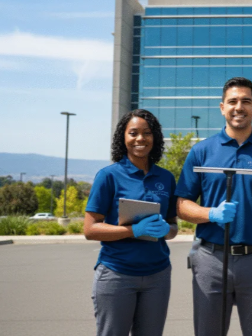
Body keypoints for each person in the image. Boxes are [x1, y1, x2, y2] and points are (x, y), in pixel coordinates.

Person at [176, 77, 252, 336]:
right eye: (232, 101)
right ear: (222, 107)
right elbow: (182, 205)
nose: (238, 107)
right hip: (210, 259)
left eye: (245, 101)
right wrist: (210, 214)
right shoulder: (201, 152)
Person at [84, 109, 178, 336]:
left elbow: (173, 226)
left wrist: (167, 230)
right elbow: (90, 229)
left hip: (158, 275)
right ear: (123, 138)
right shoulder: (108, 176)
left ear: (154, 138)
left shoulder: (166, 178)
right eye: (133, 133)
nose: (140, 139)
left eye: (146, 133)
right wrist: (132, 230)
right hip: (117, 274)